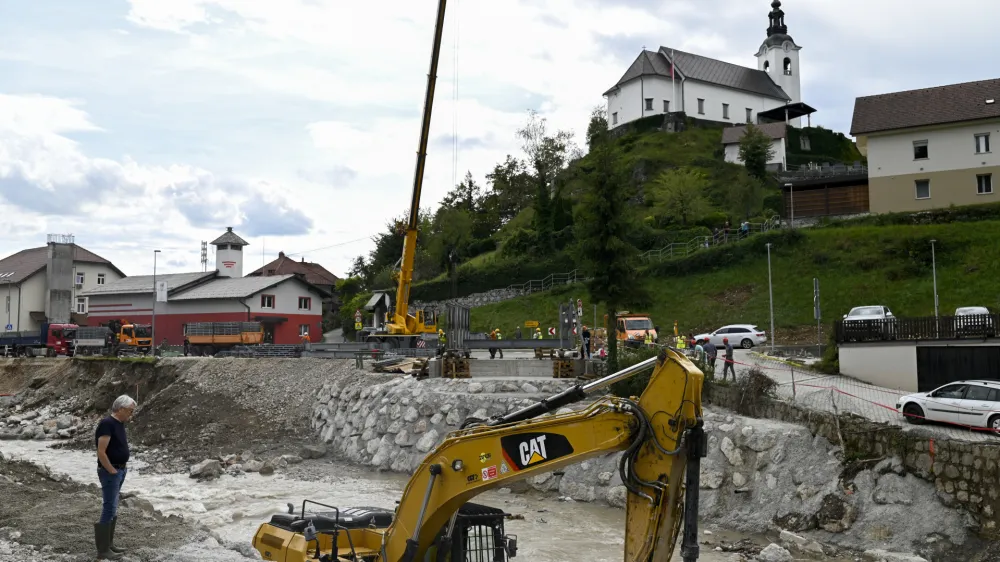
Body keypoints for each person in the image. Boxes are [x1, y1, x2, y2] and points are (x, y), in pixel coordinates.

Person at [94, 395, 136, 560]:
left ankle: (109, 544)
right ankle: (103, 550)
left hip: (120, 470)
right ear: (121, 409)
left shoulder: (119, 424)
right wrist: (111, 470)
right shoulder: (107, 424)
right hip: (111, 472)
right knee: (109, 507)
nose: (131, 414)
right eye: (130, 411)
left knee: (113, 506)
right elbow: (101, 451)